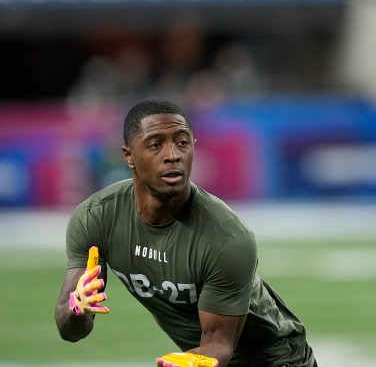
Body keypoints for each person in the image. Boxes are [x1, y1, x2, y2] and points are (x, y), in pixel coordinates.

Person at [55, 97, 317, 367]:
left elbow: (220, 346)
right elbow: (69, 329)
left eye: (182, 142)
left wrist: (189, 361)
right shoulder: (96, 217)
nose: (172, 154)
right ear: (129, 156)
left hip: (277, 360)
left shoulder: (227, 238)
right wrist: (78, 308)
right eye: (156, 145)